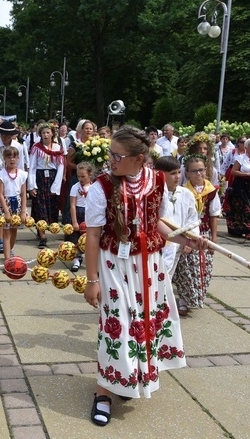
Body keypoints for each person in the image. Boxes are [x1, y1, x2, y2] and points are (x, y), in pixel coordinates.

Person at [83, 126, 207, 426]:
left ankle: (129, 378)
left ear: (139, 159)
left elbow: (158, 224)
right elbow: (93, 236)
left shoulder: (156, 181)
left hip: (149, 265)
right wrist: (92, 280)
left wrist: (185, 239)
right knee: (118, 326)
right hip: (114, 265)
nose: (110, 160)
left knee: (146, 325)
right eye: (110, 153)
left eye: (117, 155)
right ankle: (103, 392)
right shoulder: (102, 186)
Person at [171, 155, 220, 315]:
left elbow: (213, 215)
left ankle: (196, 297)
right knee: (186, 268)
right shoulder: (184, 191)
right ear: (188, 173)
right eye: (194, 171)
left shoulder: (211, 192)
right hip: (187, 233)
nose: (199, 174)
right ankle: (184, 300)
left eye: (201, 170)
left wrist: (214, 238)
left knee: (203, 268)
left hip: (204, 233)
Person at [153, 156, 199, 282]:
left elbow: (192, 219)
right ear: (160, 174)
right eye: (173, 173)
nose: (177, 177)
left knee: (167, 279)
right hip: (158, 244)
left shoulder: (186, 194)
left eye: (179, 172)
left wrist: (191, 238)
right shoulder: (155, 194)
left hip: (177, 243)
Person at [0, 121, 29, 253]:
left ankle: (10, 246)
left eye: (7, 135)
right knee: (1, 212)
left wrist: (16, 179)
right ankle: (0, 240)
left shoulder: (19, 146)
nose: (5, 137)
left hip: (15, 179)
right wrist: (0, 180)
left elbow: (21, 166)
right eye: (3, 134)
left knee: (14, 219)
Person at [28, 122, 65, 249]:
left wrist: (56, 186)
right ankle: (43, 236)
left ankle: (45, 229)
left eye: (48, 132)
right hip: (40, 178)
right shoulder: (36, 147)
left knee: (51, 207)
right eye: (43, 133)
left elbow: (60, 167)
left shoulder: (57, 148)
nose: (45, 135)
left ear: (52, 134)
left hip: (52, 178)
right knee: (40, 207)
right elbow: (32, 167)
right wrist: (31, 185)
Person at [0, 146, 28, 260]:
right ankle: (7, 259)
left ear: (18, 158)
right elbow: (0, 194)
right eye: (9, 157)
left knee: (14, 231)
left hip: (17, 204)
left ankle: (10, 251)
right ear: (4, 159)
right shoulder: (1, 174)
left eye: (14, 157)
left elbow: (23, 194)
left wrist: (23, 211)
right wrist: (6, 212)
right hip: (5, 204)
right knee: (6, 233)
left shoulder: (22, 174)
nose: (12, 160)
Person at [227, 137, 250, 239]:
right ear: (246, 147)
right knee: (243, 207)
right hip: (241, 184)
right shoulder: (241, 158)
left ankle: (245, 229)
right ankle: (247, 230)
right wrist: (246, 174)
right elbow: (233, 171)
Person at [69, 161, 93, 272]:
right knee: (76, 239)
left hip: (90, 214)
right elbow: (72, 205)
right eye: (78, 176)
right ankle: (76, 260)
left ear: (90, 175)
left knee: (90, 239)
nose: (80, 179)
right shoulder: (75, 187)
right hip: (79, 213)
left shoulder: (94, 187)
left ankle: (92, 262)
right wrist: (74, 221)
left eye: (83, 176)